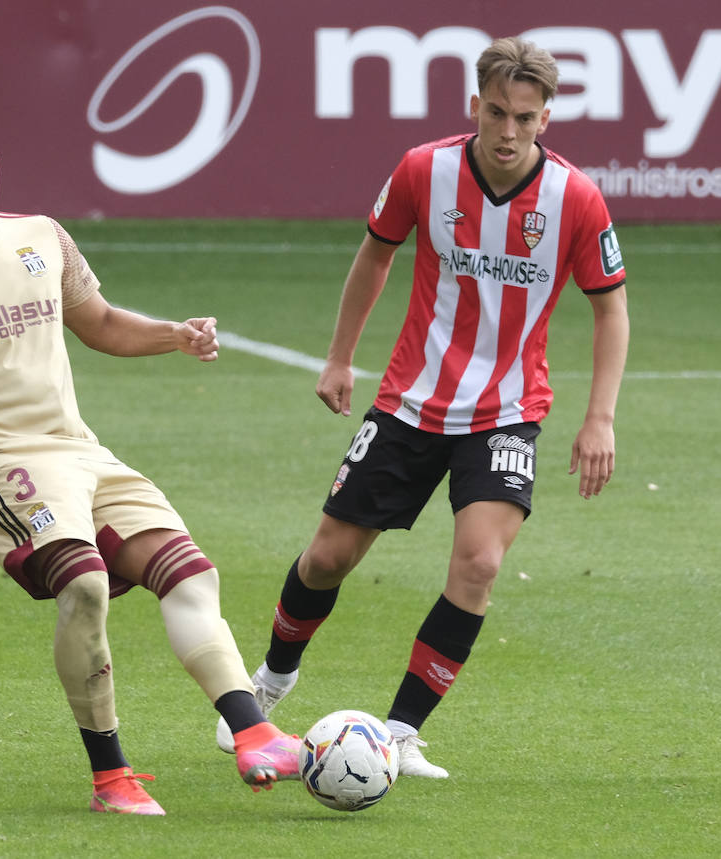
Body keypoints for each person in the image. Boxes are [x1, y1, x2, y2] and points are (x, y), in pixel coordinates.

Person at [0, 104, 299, 816]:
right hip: (2, 458)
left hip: (81, 449)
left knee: (192, 574)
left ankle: (254, 731)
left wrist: (174, 335)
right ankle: (112, 777)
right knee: (84, 586)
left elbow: (102, 323)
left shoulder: (41, 236)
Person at [215, 37, 630, 778]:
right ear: (474, 105)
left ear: (547, 120)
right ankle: (272, 683)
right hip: (411, 399)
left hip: (507, 409)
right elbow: (375, 253)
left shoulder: (575, 198)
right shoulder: (424, 170)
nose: (509, 132)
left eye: (526, 118)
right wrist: (340, 356)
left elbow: (611, 308)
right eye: (497, 112)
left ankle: (400, 733)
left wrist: (600, 417)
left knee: (479, 562)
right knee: (329, 557)